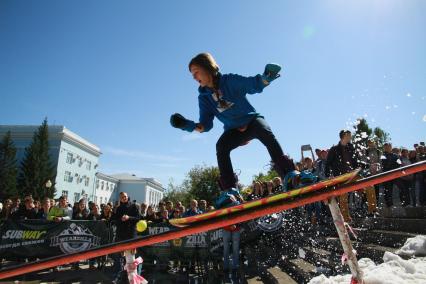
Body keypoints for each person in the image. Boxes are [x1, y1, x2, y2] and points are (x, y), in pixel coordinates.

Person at [170, 52, 295, 208]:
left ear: (208, 68)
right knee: (221, 146)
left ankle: (289, 174)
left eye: (196, 72)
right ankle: (230, 191)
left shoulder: (229, 81)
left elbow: (251, 84)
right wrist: (186, 125)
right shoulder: (204, 98)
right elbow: (206, 125)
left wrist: (266, 77)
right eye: (192, 75)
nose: (194, 77)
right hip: (233, 130)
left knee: (264, 130)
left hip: (251, 120)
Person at [325, 130, 359, 222]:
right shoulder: (334, 149)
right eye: (349, 135)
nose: (351, 137)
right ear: (344, 136)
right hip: (341, 177)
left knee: (369, 185)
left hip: (352, 175)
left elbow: (355, 162)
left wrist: (361, 166)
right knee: (343, 197)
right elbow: (328, 164)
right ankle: (346, 218)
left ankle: (372, 210)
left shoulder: (351, 148)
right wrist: (328, 176)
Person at [381, 143, 401, 207]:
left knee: (401, 188)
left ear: (391, 147)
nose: (388, 148)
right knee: (388, 190)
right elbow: (384, 165)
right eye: (386, 147)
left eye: (389, 147)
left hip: (395, 174)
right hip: (386, 175)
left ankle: (403, 203)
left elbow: (399, 163)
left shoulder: (395, 155)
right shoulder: (382, 155)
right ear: (384, 148)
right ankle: (389, 204)